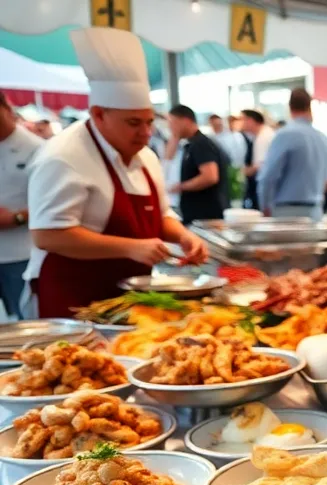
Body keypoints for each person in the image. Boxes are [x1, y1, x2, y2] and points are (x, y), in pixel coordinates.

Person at [25, 27, 207, 318]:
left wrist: (184, 237)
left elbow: (160, 216)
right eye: (133, 123)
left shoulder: (145, 156)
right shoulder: (62, 157)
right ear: (99, 114)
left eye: (149, 122)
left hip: (130, 297)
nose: (146, 133)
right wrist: (130, 248)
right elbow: (48, 236)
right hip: (74, 296)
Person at [257, 88, 327, 220]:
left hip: (287, 212)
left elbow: (268, 176)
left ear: (290, 107)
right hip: (316, 211)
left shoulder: (284, 135)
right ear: (309, 107)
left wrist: (264, 206)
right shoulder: (323, 138)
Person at [0, 91, 42, 319]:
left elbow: (53, 204)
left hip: (22, 253)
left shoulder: (37, 148)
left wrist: (16, 217)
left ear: (7, 108)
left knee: (26, 321)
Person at [166, 105, 228, 224]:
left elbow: (210, 176)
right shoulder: (189, 144)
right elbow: (167, 158)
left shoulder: (201, 144)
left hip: (205, 216)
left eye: (172, 122)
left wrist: (181, 187)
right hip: (193, 214)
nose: (170, 127)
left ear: (185, 121)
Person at [240, 109, 273, 211]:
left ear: (250, 120)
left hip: (264, 187)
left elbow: (261, 165)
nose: (241, 123)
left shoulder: (264, 137)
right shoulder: (259, 135)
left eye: (242, 120)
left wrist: (244, 172)